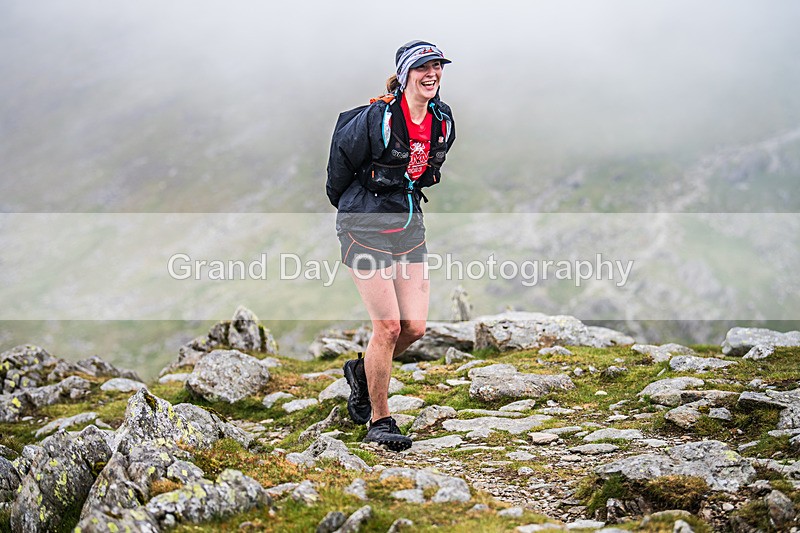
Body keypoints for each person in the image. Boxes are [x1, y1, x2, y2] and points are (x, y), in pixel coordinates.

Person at [326, 40, 456, 451]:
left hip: (408, 222)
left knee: (415, 327)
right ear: (404, 75)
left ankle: (362, 372)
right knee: (388, 326)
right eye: (422, 67)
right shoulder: (373, 120)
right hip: (364, 225)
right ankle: (380, 421)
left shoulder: (443, 119)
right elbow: (337, 173)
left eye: (437, 65)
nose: (431, 73)